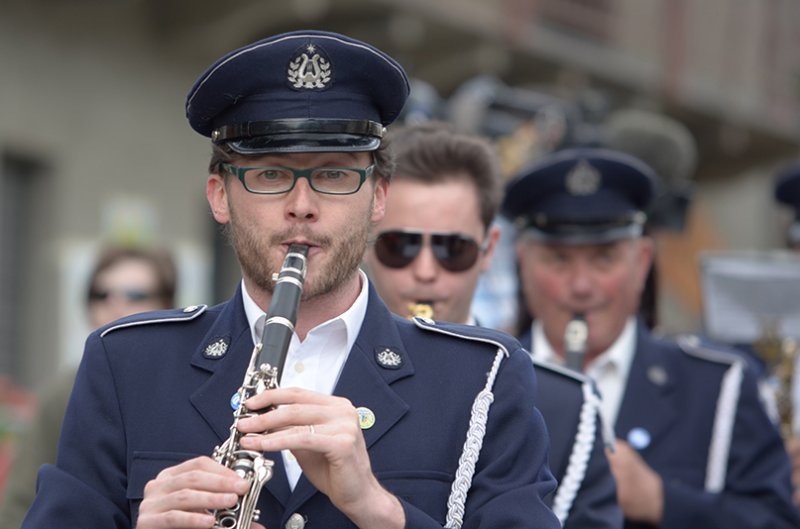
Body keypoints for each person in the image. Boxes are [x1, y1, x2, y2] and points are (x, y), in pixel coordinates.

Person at [23, 30, 560, 529]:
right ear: (218, 195)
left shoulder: (480, 379)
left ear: (378, 196)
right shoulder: (125, 364)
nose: (301, 207)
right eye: (271, 174)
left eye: (333, 174)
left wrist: (381, 511)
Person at [502, 147, 800, 528]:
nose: (580, 286)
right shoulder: (486, 376)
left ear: (642, 261)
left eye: (604, 258)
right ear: (523, 261)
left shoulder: (716, 385)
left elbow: (777, 521)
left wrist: (662, 501)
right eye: (558, 259)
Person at [363, 121, 623, 528]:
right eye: (400, 246)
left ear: (490, 249)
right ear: (366, 239)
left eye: (454, 249)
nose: (426, 271)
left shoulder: (564, 403)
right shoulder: (320, 370)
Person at [0, 244, 177, 528]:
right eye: (101, 294)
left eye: (135, 295)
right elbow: (19, 505)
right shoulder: (62, 394)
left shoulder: (191, 382)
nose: (116, 305)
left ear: (168, 304)